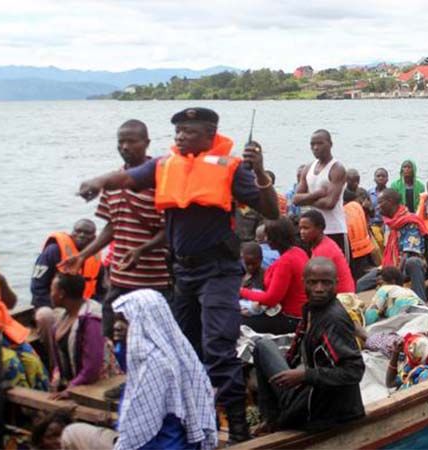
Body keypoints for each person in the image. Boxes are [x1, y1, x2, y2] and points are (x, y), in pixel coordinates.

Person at [77, 107, 279, 442]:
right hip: (183, 272)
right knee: (184, 347)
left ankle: (240, 428)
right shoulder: (163, 165)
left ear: (210, 135)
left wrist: (259, 173)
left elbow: (270, 211)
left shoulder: (230, 169)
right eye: (177, 132)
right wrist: (98, 181)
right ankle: (197, 417)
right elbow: (126, 178)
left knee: (218, 346)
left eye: (189, 131)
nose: (180, 137)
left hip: (219, 270)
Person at [58, 120, 170, 339]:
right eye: (121, 142)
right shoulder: (111, 182)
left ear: (146, 143)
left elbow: (170, 230)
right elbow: (112, 226)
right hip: (120, 276)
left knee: (155, 337)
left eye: (132, 141)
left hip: (154, 279)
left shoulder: (162, 180)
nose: (125, 147)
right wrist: (82, 256)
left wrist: (142, 249)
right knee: (111, 334)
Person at [250, 258, 365, 431]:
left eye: (325, 283)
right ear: (304, 283)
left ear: (336, 284)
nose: (319, 289)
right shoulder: (312, 309)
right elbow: (296, 350)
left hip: (322, 413)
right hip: (309, 394)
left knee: (262, 347)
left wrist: (305, 375)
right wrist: (294, 371)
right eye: (313, 283)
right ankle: (272, 418)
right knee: (262, 345)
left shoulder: (332, 320)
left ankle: (277, 420)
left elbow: (354, 371)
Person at [113, 290, 218, 450]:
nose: (117, 327)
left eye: (125, 320)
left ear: (145, 322)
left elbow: (142, 426)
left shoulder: (155, 363)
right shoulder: (142, 353)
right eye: (117, 320)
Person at [47, 273, 120, 399]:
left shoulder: (91, 321)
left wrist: (71, 389)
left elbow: (91, 369)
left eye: (52, 290)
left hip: (97, 386)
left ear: (61, 294)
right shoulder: (63, 317)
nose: (50, 294)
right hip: (73, 381)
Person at [0, 248, 49, 391]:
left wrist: (1, 279)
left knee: (33, 361)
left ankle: (44, 403)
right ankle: (28, 410)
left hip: (4, 334)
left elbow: (11, 303)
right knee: (13, 366)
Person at [240, 218, 309, 335]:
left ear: (275, 238)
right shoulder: (298, 252)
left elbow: (271, 299)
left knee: (238, 321)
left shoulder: (285, 262)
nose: (265, 240)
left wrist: (242, 292)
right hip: (300, 315)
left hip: (291, 319)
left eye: (268, 236)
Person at [356, 189, 428, 300]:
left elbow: (408, 254)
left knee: (413, 262)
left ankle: (420, 301)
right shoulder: (391, 223)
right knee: (360, 284)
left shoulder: (410, 222)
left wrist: (390, 276)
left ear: (390, 202)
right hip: (392, 265)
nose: (378, 206)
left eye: (380, 202)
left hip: (405, 268)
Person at [293, 129, 349, 256]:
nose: (315, 147)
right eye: (312, 144)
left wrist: (306, 200)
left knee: (338, 272)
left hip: (334, 230)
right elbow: (296, 199)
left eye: (320, 143)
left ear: (330, 144)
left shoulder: (337, 169)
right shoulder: (308, 168)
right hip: (313, 232)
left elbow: (330, 203)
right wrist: (317, 194)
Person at [31, 218, 104, 310]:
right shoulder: (53, 251)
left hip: (84, 307)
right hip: (53, 306)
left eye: (87, 233)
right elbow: (38, 287)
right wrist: (53, 307)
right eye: (78, 231)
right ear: (72, 233)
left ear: (94, 238)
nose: (81, 235)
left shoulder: (96, 259)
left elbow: (101, 292)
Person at [299, 210, 355, 293]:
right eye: (300, 228)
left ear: (320, 228)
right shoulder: (321, 244)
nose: (302, 232)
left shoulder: (324, 250)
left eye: (306, 228)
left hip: (342, 297)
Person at [343, 190, 375, 280]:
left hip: (354, 249)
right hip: (365, 246)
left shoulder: (345, 210)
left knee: (356, 275)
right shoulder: (357, 206)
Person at [368, 167, 389, 242]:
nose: (381, 178)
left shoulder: (389, 193)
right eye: (378, 176)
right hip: (372, 224)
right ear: (374, 179)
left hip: (386, 224)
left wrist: (385, 223)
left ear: (387, 179)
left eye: (383, 176)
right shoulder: (370, 193)